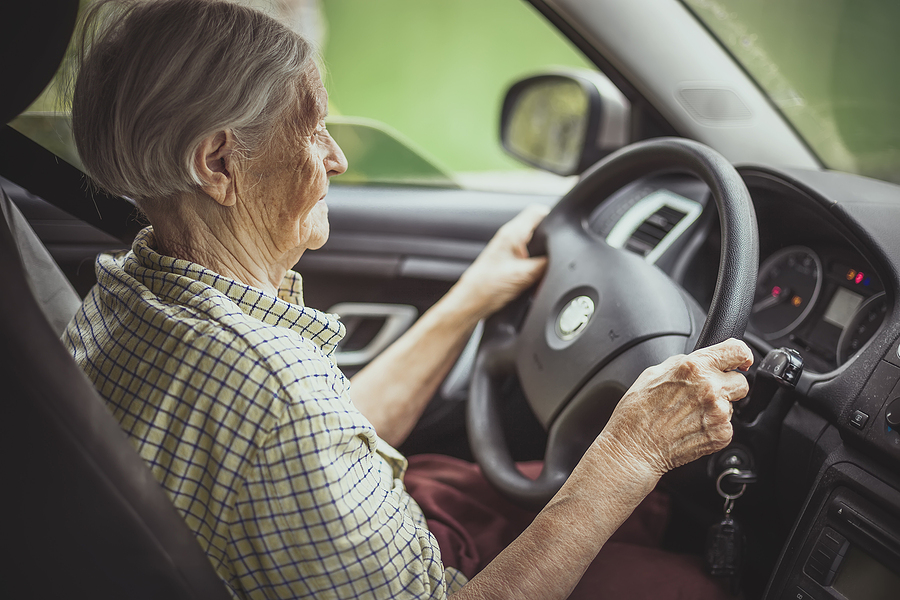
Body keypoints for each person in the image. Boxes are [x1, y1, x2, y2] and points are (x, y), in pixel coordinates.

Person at [62, 1, 752, 598]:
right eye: (310, 130)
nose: (335, 158)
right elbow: (289, 424)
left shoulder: (125, 291)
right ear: (218, 164)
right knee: (691, 583)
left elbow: (303, 439)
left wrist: (469, 301)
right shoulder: (274, 391)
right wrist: (632, 450)